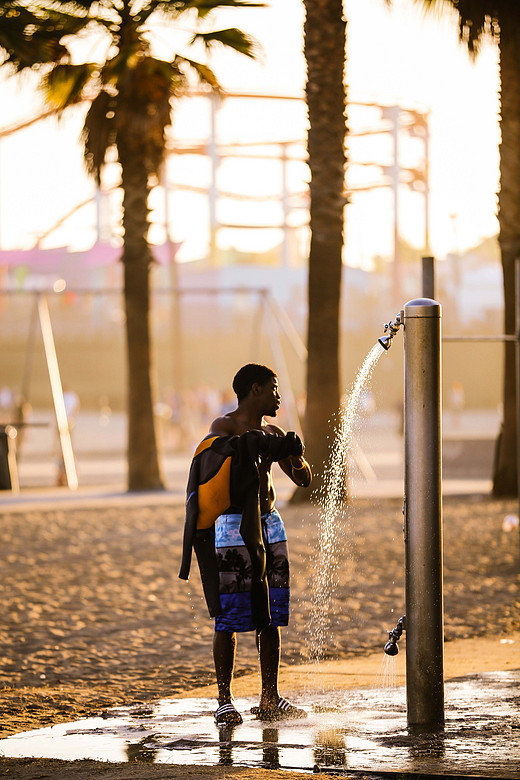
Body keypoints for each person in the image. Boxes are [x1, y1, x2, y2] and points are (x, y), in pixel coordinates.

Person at [179, 363, 312, 727]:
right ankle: (225, 699)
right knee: (229, 617)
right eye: (274, 388)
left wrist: (295, 453)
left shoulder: (273, 431)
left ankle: (270, 697)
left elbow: (303, 479)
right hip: (234, 526)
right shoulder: (223, 428)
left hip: (269, 524)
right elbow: (217, 455)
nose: (279, 396)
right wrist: (249, 445)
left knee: (269, 615)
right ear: (255, 389)